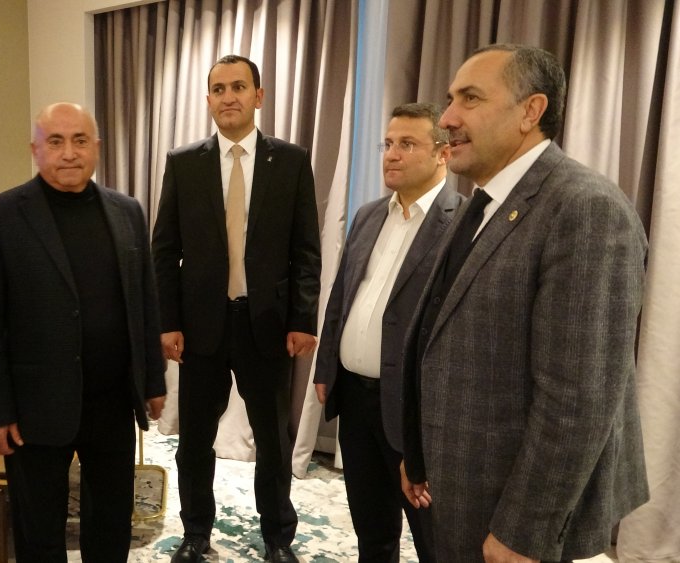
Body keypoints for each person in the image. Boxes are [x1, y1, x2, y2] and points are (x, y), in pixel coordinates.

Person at [400, 44, 649, 562]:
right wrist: (419, 453)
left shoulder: (585, 208)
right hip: (454, 483)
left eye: (470, 98)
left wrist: (524, 529)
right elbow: (442, 337)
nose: (447, 118)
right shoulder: (483, 203)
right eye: (451, 99)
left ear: (530, 112)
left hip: (510, 510)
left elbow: (578, 397)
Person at [0, 102, 166, 562]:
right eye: (55, 142)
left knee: (111, 520)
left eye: (79, 141)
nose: (69, 153)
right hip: (34, 407)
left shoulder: (127, 211)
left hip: (112, 402)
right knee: (39, 527)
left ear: (97, 147)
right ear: (35, 150)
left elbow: (144, 304)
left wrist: (152, 381)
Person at [152, 54, 321, 563]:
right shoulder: (184, 162)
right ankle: (195, 533)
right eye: (219, 89)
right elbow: (164, 250)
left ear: (258, 96)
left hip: (266, 324)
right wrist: (167, 322)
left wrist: (302, 319)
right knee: (194, 441)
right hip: (201, 326)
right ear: (208, 100)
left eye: (239, 87)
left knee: (273, 441)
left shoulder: (290, 161)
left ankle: (278, 538)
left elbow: (306, 250)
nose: (229, 97)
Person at [314, 102, 461, 563]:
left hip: (415, 409)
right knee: (372, 531)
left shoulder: (462, 224)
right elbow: (342, 297)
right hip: (357, 401)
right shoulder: (368, 215)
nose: (392, 154)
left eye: (408, 144)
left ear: (443, 154)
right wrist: (326, 367)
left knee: (435, 540)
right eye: (389, 143)